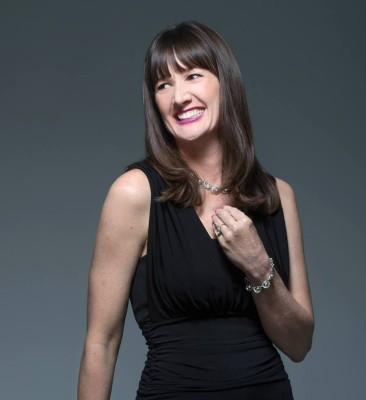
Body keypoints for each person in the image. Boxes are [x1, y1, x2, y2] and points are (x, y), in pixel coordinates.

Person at [77, 21, 314, 400]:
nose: (179, 97)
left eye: (192, 76)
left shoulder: (278, 196)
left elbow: (299, 344)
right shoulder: (134, 193)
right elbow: (101, 342)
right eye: (163, 84)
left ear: (225, 84)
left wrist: (259, 267)